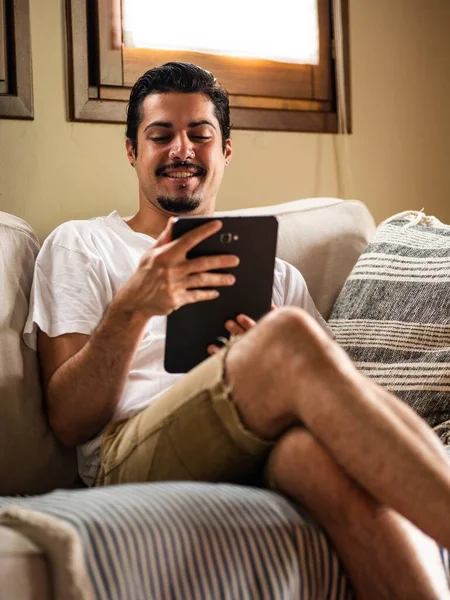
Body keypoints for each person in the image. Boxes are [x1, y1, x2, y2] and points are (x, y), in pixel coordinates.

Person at [24, 62, 450, 599]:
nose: (181, 149)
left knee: (317, 463)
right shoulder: (82, 244)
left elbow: (346, 395)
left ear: (225, 151)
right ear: (132, 150)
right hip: (130, 450)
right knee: (288, 338)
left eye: (200, 135)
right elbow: (68, 419)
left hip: (260, 440)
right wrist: (131, 309)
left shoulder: (276, 273)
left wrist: (258, 369)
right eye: (160, 135)